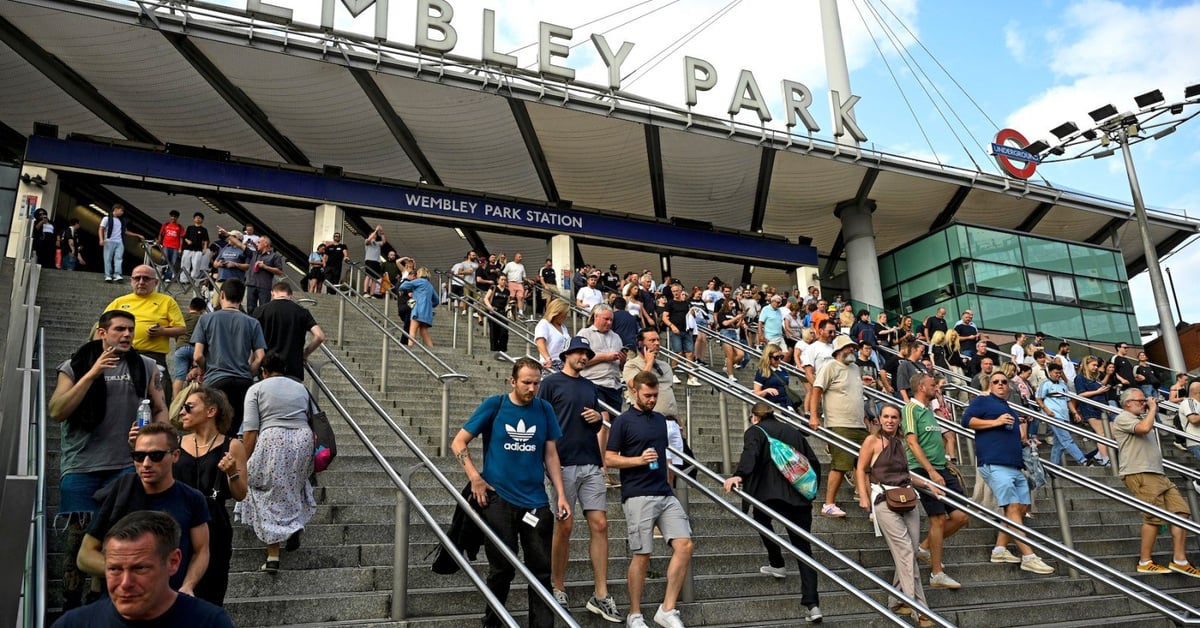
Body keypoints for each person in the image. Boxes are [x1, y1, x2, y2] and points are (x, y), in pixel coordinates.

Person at [49, 309, 169, 609]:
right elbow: (57, 411)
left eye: (130, 329)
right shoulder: (74, 365)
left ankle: (101, 598)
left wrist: (154, 437)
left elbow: (160, 408)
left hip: (126, 465)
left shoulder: (146, 365)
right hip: (82, 464)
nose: (127, 334)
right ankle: (71, 603)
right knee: (79, 538)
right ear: (102, 332)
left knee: (120, 536)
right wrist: (93, 373)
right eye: (119, 329)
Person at [451, 358, 571, 628]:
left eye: (536, 383)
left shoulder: (544, 409)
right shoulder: (495, 405)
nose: (532, 388)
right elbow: (458, 441)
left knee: (540, 571)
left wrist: (560, 494)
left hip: (536, 501)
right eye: (526, 382)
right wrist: (475, 478)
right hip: (499, 499)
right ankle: (493, 622)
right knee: (502, 568)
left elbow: (550, 454)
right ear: (513, 381)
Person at [538, 337, 623, 623]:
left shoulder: (590, 387)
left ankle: (600, 593)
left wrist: (597, 420)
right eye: (579, 352)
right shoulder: (550, 383)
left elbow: (597, 423)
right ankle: (557, 586)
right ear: (567, 354)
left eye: (587, 354)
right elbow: (540, 419)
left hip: (590, 462)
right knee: (565, 525)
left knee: (600, 524)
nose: (584, 357)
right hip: (561, 463)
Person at [78, 423, 211, 596]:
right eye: (139, 456)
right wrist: (128, 573)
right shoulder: (118, 492)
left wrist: (188, 585)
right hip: (121, 600)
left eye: (156, 456)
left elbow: (201, 550)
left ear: (175, 455)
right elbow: (85, 555)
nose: (146, 463)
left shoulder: (192, 498)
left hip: (171, 600)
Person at [606, 371, 694, 628]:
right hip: (637, 494)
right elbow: (609, 459)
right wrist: (637, 460)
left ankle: (667, 609)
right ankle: (635, 613)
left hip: (664, 493)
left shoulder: (659, 421)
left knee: (685, 545)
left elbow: (663, 456)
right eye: (647, 395)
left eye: (655, 395)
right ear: (634, 391)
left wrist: (669, 483)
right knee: (642, 554)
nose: (652, 400)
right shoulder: (622, 421)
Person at [723, 403, 823, 623]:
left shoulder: (755, 431)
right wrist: (810, 491)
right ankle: (812, 604)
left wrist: (738, 475)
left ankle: (777, 563)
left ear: (754, 417)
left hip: (769, 496)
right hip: (799, 498)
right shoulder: (792, 432)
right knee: (803, 548)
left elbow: (751, 455)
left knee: (761, 521)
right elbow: (813, 462)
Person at [51, 511, 234, 628]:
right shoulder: (73, 624)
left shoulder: (210, 622)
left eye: (139, 569)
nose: (125, 583)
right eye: (114, 569)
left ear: (173, 562)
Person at [960, 372, 1055, 574]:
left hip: (1014, 464)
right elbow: (966, 421)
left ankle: (1000, 549)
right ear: (990, 385)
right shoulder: (983, 401)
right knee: (1012, 507)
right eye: (996, 382)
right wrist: (995, 422)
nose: (1001, 384)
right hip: (995, 463)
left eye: (1004, 382)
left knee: (1020, 508)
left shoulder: (1006, 406)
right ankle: (1029, 556)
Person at [856, 404, 940, 627]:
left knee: (910, 552)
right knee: (904, 551)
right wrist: (864, 497)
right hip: (884, 499)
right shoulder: (871, 441)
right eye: (886, 417)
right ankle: (919, 608)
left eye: (894, 417)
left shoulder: (900, 444)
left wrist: (929, 484)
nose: (890, 421)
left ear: (899, 420)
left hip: (907, 499)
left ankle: (895, 599)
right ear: (879, 419)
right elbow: (861, 469)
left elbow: (907, 475)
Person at [236, 353, 318, 573]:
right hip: (303, 438)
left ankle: (273, 555)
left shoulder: (256, 389)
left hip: (272, 439)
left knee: (263, 490)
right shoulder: (300, 388)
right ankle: (294, 527)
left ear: (263, 371)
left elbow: (251, 431)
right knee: (293, 486)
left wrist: (243, 461)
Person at [1112, 389, 1200, 577]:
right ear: (1128, 403)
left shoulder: (1141, 418)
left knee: (1181, 512)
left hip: (1157, 473)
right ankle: (1145, 560)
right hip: (1139, 472)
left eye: (1145, 401)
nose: (1144, 403)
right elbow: (1144, 428)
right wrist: (1152, 409)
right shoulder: (1123, 418)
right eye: (1140, 400)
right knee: (1153, 517)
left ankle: (1180, 559)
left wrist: (1149, 410)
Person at [175, 386, 247, 605]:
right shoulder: (175, 444)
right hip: (178, 524)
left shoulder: (232, 445)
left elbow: (241, 494)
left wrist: (232, 473)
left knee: (211, 595)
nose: (181, 412)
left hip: (214, 527)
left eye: (189, 407)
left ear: (211, 411)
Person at [902, 374, 968, 590]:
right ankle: (936, 572)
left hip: (940, 467)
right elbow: (911, 442)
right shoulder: (911, 409)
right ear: (921, 387)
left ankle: (924, 547)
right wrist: (930, 471)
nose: (937, 388)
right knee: (938, 518)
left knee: (961, 516)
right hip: (923, 469)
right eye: (933, 385)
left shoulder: (929, 410)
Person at [190, 278, 267, 437]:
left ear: (222, 294)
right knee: (232, 431)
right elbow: (260, 357)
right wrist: (249, 372)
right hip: (242, 382)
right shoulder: (252, 323)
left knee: (211, 430)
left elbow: (197, 355)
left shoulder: (206, 319)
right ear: (241, 298)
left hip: (215, 380)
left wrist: (206, 368)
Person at [809, 335, 867, 518]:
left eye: (853, 347)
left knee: (866, 465)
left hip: (858, 424)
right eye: (849, 347)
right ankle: (828, 503)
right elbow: (817, 390)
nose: (852, 350)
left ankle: (868, 502)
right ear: (839, 350)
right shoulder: (830, 367)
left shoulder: (855, 368)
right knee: (841, 465)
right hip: (839, 423)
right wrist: (814, 416)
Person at [101, 265, 188, 369]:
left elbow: (182, 329)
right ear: (131, 281)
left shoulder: (167, 301)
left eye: (146, 278)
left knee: (158, 384)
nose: (141, 282)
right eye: (137, 278)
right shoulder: (119, 302)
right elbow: (102, 327)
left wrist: (163, 331)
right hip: (120, 353)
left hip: (152, 356)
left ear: (155, 283)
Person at [253, 281, 326, 380]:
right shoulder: (302, 312)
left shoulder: (260, 311)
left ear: (272, 294)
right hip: (293, 369)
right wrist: (304, 354)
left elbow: (251, 339)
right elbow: (320, 336)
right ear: (291, 296)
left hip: (268, 369)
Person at [1035, 363, 1090, 467]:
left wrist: (1075, 412)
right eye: (1056, 373)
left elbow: (1068, 400)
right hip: (1054, 416)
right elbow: (1038, 398)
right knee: (1066, 439)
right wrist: (1046, 411)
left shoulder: (1062, 384)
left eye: (1060, 373)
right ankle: (1082, 460)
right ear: (1050, 372)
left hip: (1064, 416)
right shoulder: (1045, 384)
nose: (1058, 375)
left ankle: (1053, 466)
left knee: (1059, 444)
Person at [1075, 356, 1114, 467]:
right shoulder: (1080, 378)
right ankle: (1105, 458)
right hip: (1090, 408)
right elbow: (1080, 394)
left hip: (1102, 408)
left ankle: (1098, 455)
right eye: (1093, 365)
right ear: (1086, 365)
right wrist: (1097, 391)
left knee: (1113, 431)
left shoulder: (1094, 378)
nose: (1096, 367)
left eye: (1097, 365)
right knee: (1101, 434)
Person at [99, 204, 147, 283]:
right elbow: (101, 229)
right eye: (121, 211)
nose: (122, 212)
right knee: (108, 258)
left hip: (119, 241)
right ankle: (108, 275)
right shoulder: (106, 218)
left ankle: (117, 274)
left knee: (119, 258)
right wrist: (101, 239)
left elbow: (125, 231)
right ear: (116, 209)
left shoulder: (121, 221)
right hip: (109, 240)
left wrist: (137, 235)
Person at [396, 267, 440, 347]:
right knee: (423, 332)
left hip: (417, 310)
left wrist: (404, 288)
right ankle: (432, 350)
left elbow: (404, 285)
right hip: (427, 313)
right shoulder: (430, 285)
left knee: (412, 331)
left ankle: (410, 349)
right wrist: (430, 305)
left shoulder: (418, 281)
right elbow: (436, 300)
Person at [244, 236, 284, 314]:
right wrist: (229, 235)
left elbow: (279, 272)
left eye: (259, 242)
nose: (257, 244)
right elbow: (241, 246)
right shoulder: (254, 254)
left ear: (265, 244)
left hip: (264, 286)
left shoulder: (274, 256)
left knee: (264, 309)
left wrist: (265, 267)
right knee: (250, 309)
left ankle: (263, 325)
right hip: (251, 284)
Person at [715, 297, 747, 382]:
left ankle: (728, 367)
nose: (733, 305)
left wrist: (741, 318)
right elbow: (725, 323)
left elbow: (736, 326)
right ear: (727, 304)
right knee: (730, 355)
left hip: (733, 333)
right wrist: (736, 318)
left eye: (733, 304)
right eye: (731, 303)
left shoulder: (732, 314)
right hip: (725, 333)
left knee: (741, 354)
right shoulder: (721, 313)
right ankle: (730, 375)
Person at [535, 298, 572, 370]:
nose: (566, 316)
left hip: (565, 364)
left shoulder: (563, 327)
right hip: (551, 363)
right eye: (564, 314)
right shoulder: (544, 324)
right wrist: (547, 358)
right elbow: (540, 343)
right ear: (557, 313)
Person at [180, 212, 210, 286]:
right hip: (188, 249)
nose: (198, 219)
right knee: (185, 264)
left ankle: (194, 279)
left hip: (198, 249)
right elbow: (185, 237)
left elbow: (206, 240)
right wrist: (188, 241)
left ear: (202, 220)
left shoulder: (204, 230)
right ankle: (184, 280)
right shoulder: (190, 227)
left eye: (200, 218)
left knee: (196, 265)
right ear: (194, 219)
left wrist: (205, 249)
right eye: (196, 217)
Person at [157, 210, 184, 282]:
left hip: (175, 247)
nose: (173, 218)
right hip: (166, 245)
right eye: (172, 216)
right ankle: (161, 274)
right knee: (164, 260)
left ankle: (167, 277)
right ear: (170, 216)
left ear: (177, 218)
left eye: (175, 217)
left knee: (173, 262)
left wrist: (180, 248)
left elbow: (181, 238)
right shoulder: (165, 225)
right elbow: (160, 234)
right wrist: (159, 242)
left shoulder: (180, 227)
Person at [503, 252, 529, 317]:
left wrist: (529, 280)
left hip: (519, 283)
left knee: (520, 297)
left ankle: (520, 312)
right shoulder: (509, 264)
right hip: (511, 282)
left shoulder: (522, 266)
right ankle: (508, 311)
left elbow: (524, 277)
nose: (521, 258)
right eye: (519, 257)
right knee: (511, 297)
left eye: (521, 257)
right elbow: (504, 273)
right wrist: (505, 282)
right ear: (515, 257)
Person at [362, 225, 386, 295]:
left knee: (375, 278)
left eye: (375, 235)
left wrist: (381, 232)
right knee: (368, 276)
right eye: (373, 235)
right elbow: (369, 240)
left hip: (377, 261)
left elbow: (384, 241)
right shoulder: (367, 241)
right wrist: (375, 230)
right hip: (369, 260)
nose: (375, 236)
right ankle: (365, 291)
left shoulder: (377, 243)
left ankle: (372, 293)